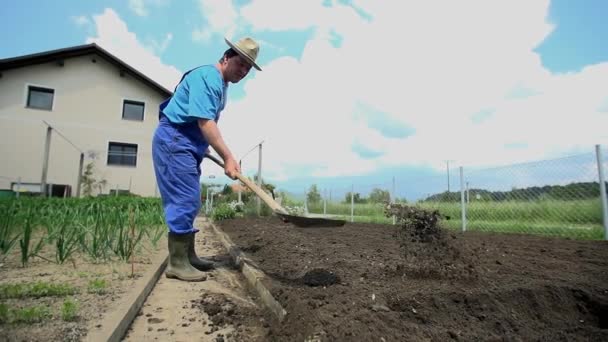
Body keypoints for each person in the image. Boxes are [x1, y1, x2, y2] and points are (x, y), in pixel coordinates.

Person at [152, 36, 262, 281]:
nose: (244, 71)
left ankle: (188, 256)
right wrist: (228, 156)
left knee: (191, 199)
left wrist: (202, 148)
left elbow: (200, 124)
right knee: (185, 199)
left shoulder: (221, 84)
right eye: (241, 63)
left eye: (248, 68)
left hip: (187, 144)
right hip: (175, 141)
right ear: (226, 58)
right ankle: (177, 263)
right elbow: (205, 122)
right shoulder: (208, 78)